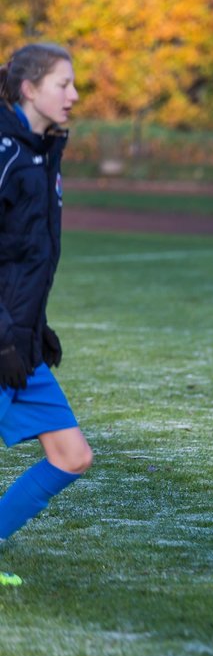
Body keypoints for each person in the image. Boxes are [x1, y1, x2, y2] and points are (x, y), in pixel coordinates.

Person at [0, 43, 90, 587]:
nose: (74, 95)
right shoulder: (5, 152)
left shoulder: (40, 152)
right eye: (64, 84)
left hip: (19, 339)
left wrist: (33, 324)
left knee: (72, 455)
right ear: (30, 89)